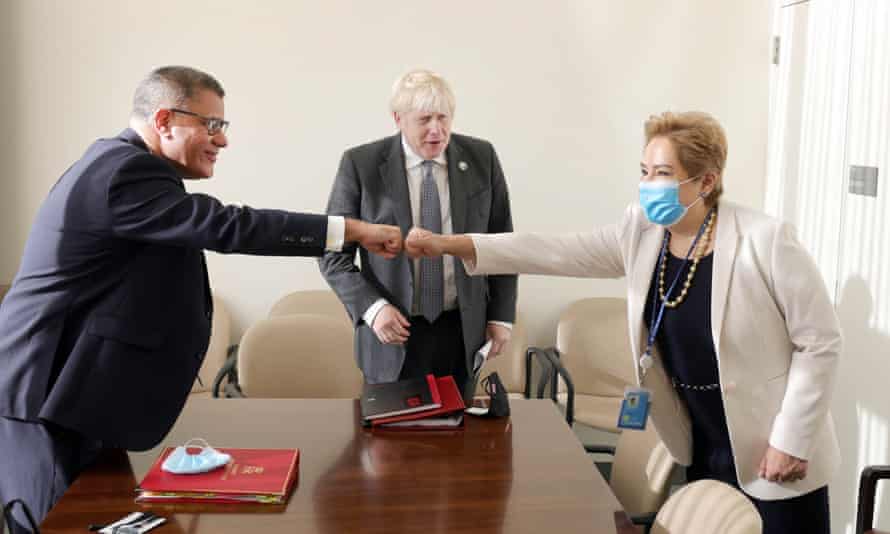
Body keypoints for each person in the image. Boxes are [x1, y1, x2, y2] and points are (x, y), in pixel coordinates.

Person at [0, 65, 401, 530]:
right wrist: (348, 230)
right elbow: (228, 225)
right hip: (45, 399)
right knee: (60, 524)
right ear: (165, 119)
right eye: (212, 125)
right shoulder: (125, 172)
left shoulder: (119, 165)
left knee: (96, 519)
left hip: (76, 397)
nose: (222, 140)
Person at [405, 111, 841, 534]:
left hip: (770, 438)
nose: (649, 185)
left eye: (663, 173)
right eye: (645, 171)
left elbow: (819, 342)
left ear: (706, 181)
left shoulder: (765, 240)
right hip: (702, 436)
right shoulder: (644, 230)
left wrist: (791, 440)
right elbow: (557, 251)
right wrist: (452, 245)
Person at [319, 69, 517, 396]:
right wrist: (373, 308)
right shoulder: (361, 164)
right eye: (424, 119)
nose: (436, 130)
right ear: (398, 118)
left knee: (461, 443)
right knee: (389, 445)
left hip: (462, 331)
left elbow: (502, 244)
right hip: (392, 333)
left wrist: (501, 315)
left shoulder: (482, 158)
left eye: (444, 117)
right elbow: (332, 253)